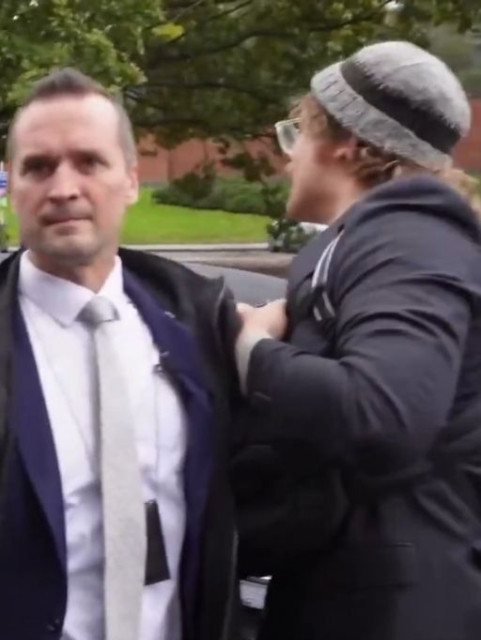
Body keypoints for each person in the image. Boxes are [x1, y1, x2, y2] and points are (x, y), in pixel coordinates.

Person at [233, 41, 481, 640]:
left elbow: (382, 414)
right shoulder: (384, 240)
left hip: (398, 609)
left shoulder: (409, 238)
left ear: (347, 142)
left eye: (297, 133)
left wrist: (250, 349)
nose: (287, 156)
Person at [0, 68, 241, 640]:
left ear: (131, 180)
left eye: (89, 162)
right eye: (39, 167)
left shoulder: (200, 323)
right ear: (10, 185)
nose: (64, 188)